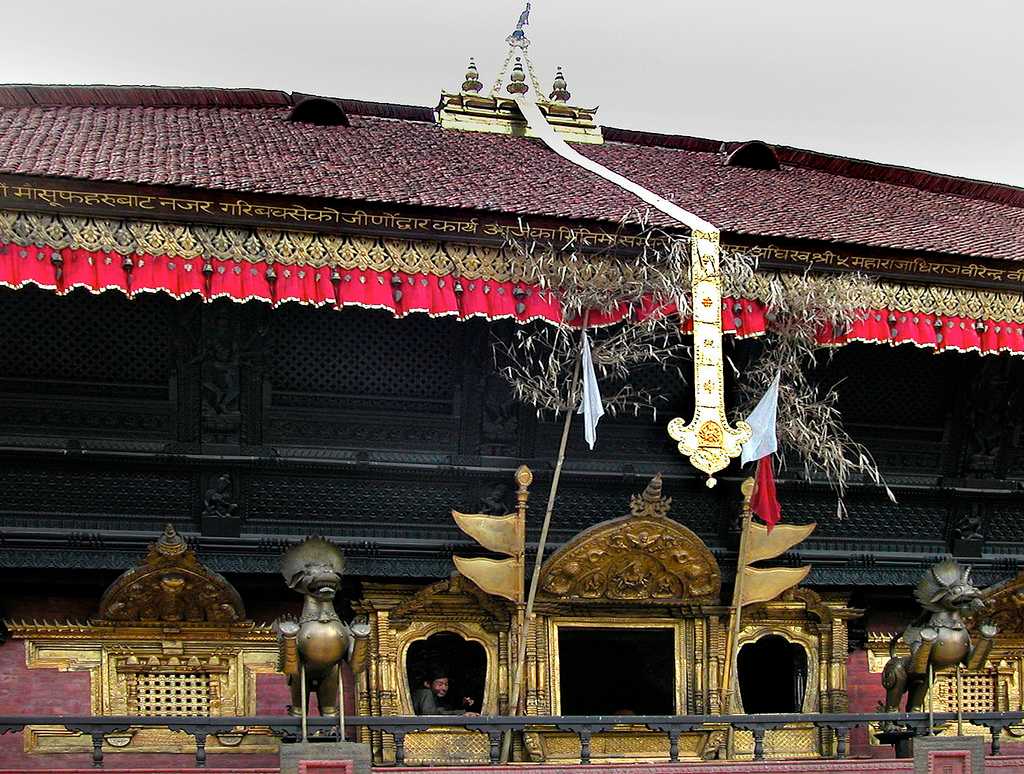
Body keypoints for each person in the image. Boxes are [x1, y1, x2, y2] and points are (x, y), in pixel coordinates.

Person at [412, 666, 476, 715]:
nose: (444, 688)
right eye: (440, 684)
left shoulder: (435, 695)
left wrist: (463, 704)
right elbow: (430, 713)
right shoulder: (425, 692)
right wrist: (461, 713)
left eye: (446, 684)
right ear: (427, 684)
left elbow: (444, 709)